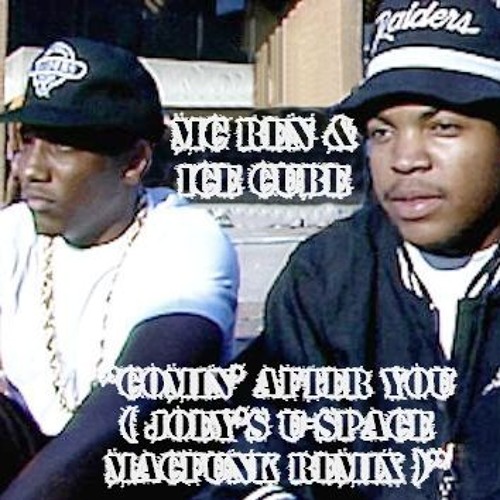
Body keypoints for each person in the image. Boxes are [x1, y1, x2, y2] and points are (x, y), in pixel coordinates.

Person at [194, 1, 500, 499]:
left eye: (443, 127)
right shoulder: (327, 277)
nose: (405, 159)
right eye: (381, 132)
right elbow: (263, 452)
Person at [0, 37, 238, 498]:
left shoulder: (185, 237)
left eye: (61, 146)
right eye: (27, 142)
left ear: (133, 162)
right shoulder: (14, 233)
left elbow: (136, 398)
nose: (30, 169)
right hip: (37, 466)